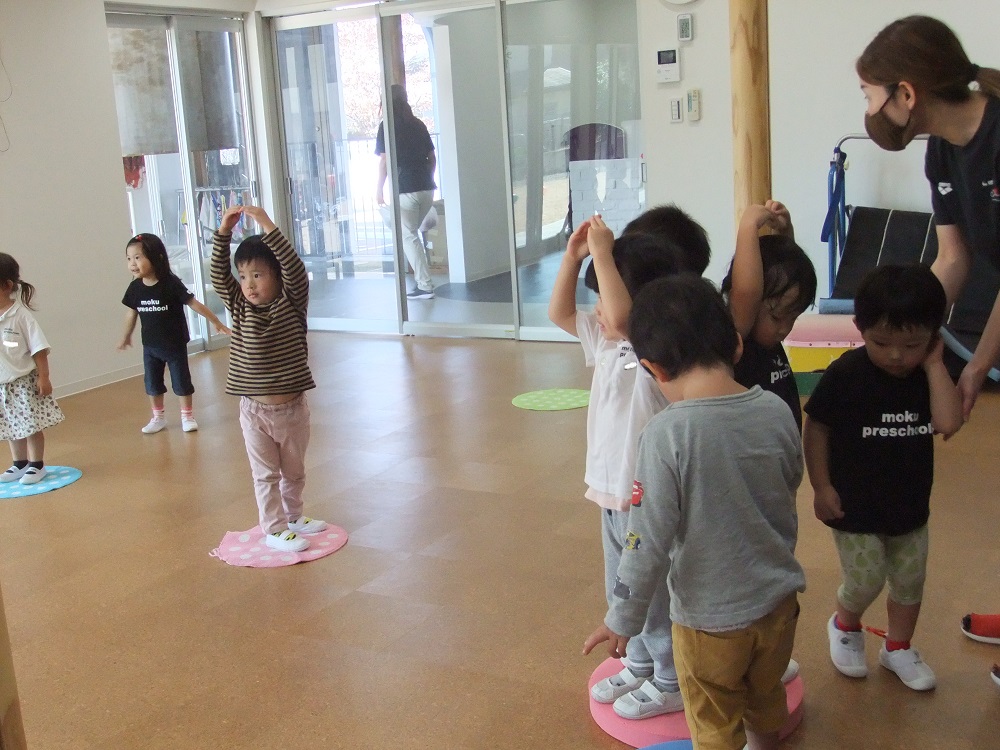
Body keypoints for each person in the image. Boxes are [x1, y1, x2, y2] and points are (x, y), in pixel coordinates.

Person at [584, 274, 805, 750]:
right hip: (779, 605)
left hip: (709, 621)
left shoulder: (665, 434)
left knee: (713, 720)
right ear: (737, 345)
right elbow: (791, 480)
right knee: (765, 697)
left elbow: (645, 540)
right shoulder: (776, 410)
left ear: (654, 369)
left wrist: (622, 617)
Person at [857, 13, 1000, 685]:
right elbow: (952, 260)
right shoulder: (941, 150)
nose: (868, 110)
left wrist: (976, 366)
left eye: (870, 94)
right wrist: (896, 332)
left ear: (906, 93)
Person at [549, 212, 691, 720]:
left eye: (605, 296)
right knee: (622, 586)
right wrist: (574, 259)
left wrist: (606, 254)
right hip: (610, 494)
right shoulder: (606, 342)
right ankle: (639, 661)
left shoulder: (651, 351)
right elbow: (559, 313)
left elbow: (627, 319)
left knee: (650, 591)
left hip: (644, 497)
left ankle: (670, 678)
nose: (598, 310)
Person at [803, 264, 963, 692]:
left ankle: (898, 647)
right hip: (853, 505)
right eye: (881, 342)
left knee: (910, 583)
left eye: (911, 344)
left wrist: (933, 364)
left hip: (909, 506)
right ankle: (845, 625)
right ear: (860, 328)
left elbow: (948, 422)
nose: (896, 356)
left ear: (934, 335)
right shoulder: (846, 374)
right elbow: (816, 427)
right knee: (865, 579)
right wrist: (821, 485)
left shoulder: (927, 373)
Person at [211, 205, 328, 553]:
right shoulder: (239, 305)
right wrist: (223, 232)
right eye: (243, 276)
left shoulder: (292, 302)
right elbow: (219, 275)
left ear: (278, 276)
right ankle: (274, 528)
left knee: (294, 472)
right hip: (255, 413)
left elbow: (296, 269)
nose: (249, 284)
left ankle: (294, 516)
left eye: (258, 275)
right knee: (265, 475)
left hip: (293, 411)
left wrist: (266, 224)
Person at [119, 233, 231, 434]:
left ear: (157, 257)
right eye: (129, 258)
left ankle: (187, 416)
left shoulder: (170, 283)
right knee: (152, 383)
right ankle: (158, 417)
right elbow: (131, 313)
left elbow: (193, 303)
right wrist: (127, 335)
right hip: (150, 346)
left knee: (181, 381)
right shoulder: (135, 288)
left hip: (174, 344)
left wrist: (216, 321)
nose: (132, 263)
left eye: (137, 257)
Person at [722, 200, 817, 432]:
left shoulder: (768, 339)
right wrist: (748, 225)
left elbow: (786, 278)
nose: (784, 329)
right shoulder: (737, 337)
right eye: (776, 318)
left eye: (793, 318)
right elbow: (748, 292)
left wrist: (784, 232)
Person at [0, 254, 64, 485]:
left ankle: (37, 464)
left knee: (30, 425)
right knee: (11, 424)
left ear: (7, 286)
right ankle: (19, 463)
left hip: (23, 382)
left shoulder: (21, 317)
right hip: (3, 384)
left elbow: (39, 349)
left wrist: (44, 377)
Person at [375, 84, 437, 300]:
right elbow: (432, 158)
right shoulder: (418, 124)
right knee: (409, 233)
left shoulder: (386, 126)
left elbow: (384, 162)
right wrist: (426, 177)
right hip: (427, 190)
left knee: (407, 235)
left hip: (405, 191)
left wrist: (379, 189)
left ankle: (425, 285)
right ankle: (424, 283)